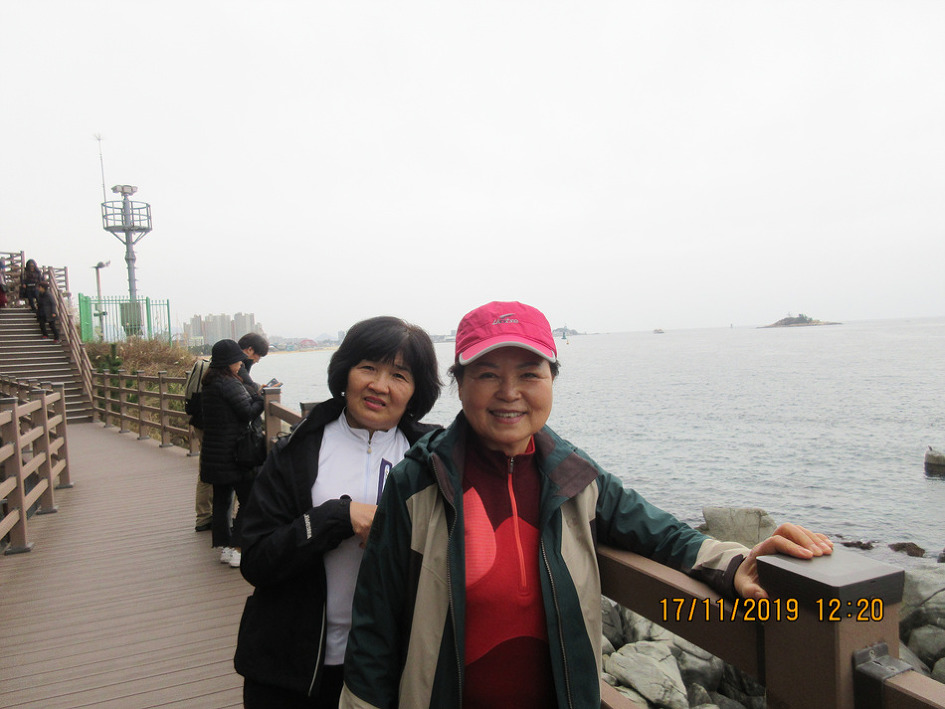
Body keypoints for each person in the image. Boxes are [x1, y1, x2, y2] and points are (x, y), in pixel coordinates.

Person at [340, 301, 833, 709]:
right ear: (460, 384)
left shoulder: (574, 477)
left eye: (529, 374)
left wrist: (738, 563)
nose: (509, 393)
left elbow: (664, 534)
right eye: (487, 374)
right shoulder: (419, 481)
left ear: (551, 381)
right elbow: (375, 624)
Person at [234, 316, 442, 709]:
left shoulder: (433, 460)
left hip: (386, 671)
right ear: (345, 373)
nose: (379, 385)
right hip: (289, 670)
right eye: (368, 368)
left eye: (399, 375)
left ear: (417, 390)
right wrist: (338, 518)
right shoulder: (297, 451)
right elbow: (256, 559)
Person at [199, 339, 264, 569]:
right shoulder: (229, 384)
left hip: (214, 453)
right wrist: (261, 398)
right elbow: (247, 412)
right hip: (234, 454)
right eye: (238, 360)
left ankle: (225, 547)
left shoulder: (209, 382)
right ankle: (238, 548)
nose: (241, 364)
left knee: (222, 501)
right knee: (249, 499)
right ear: (228, 362)